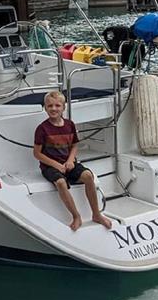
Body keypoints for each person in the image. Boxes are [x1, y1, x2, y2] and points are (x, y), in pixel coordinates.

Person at [33, 90, 113, 232]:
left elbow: (75, 145)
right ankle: (76, 216)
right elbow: (37, 154)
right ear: (45, 108)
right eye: (50, 106)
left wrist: (70, 161)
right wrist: (57, 165)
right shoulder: (42, 129)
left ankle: (96, 214)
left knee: (88, 176)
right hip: (50, 166)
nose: (53, 109)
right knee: (61, 182)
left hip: (68, 163)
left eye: (57, 106)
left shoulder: (70, 125)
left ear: (64, 108)